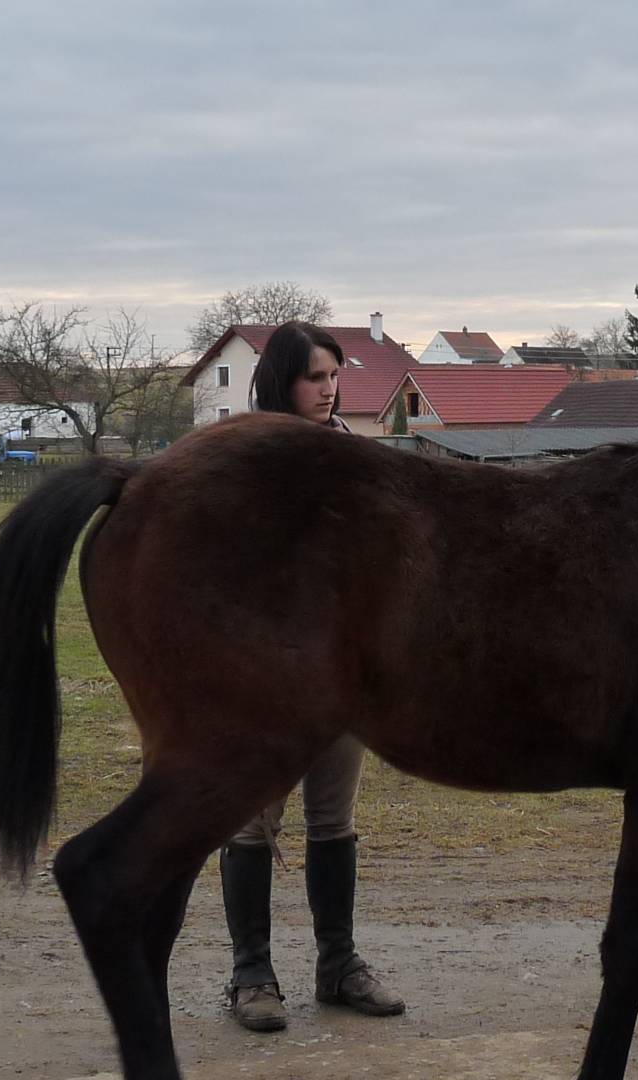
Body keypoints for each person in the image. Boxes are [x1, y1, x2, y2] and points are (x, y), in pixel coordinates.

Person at [221, 320, 405, 1032]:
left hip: (343, 673)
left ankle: (339, 965)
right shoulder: (247, 459)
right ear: (282, 382)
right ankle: (251, 975)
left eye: (334, 377)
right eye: (314, 378)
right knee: (251, 820)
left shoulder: (351, 456)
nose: (329, 391)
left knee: (334, 818)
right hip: (266, 673)